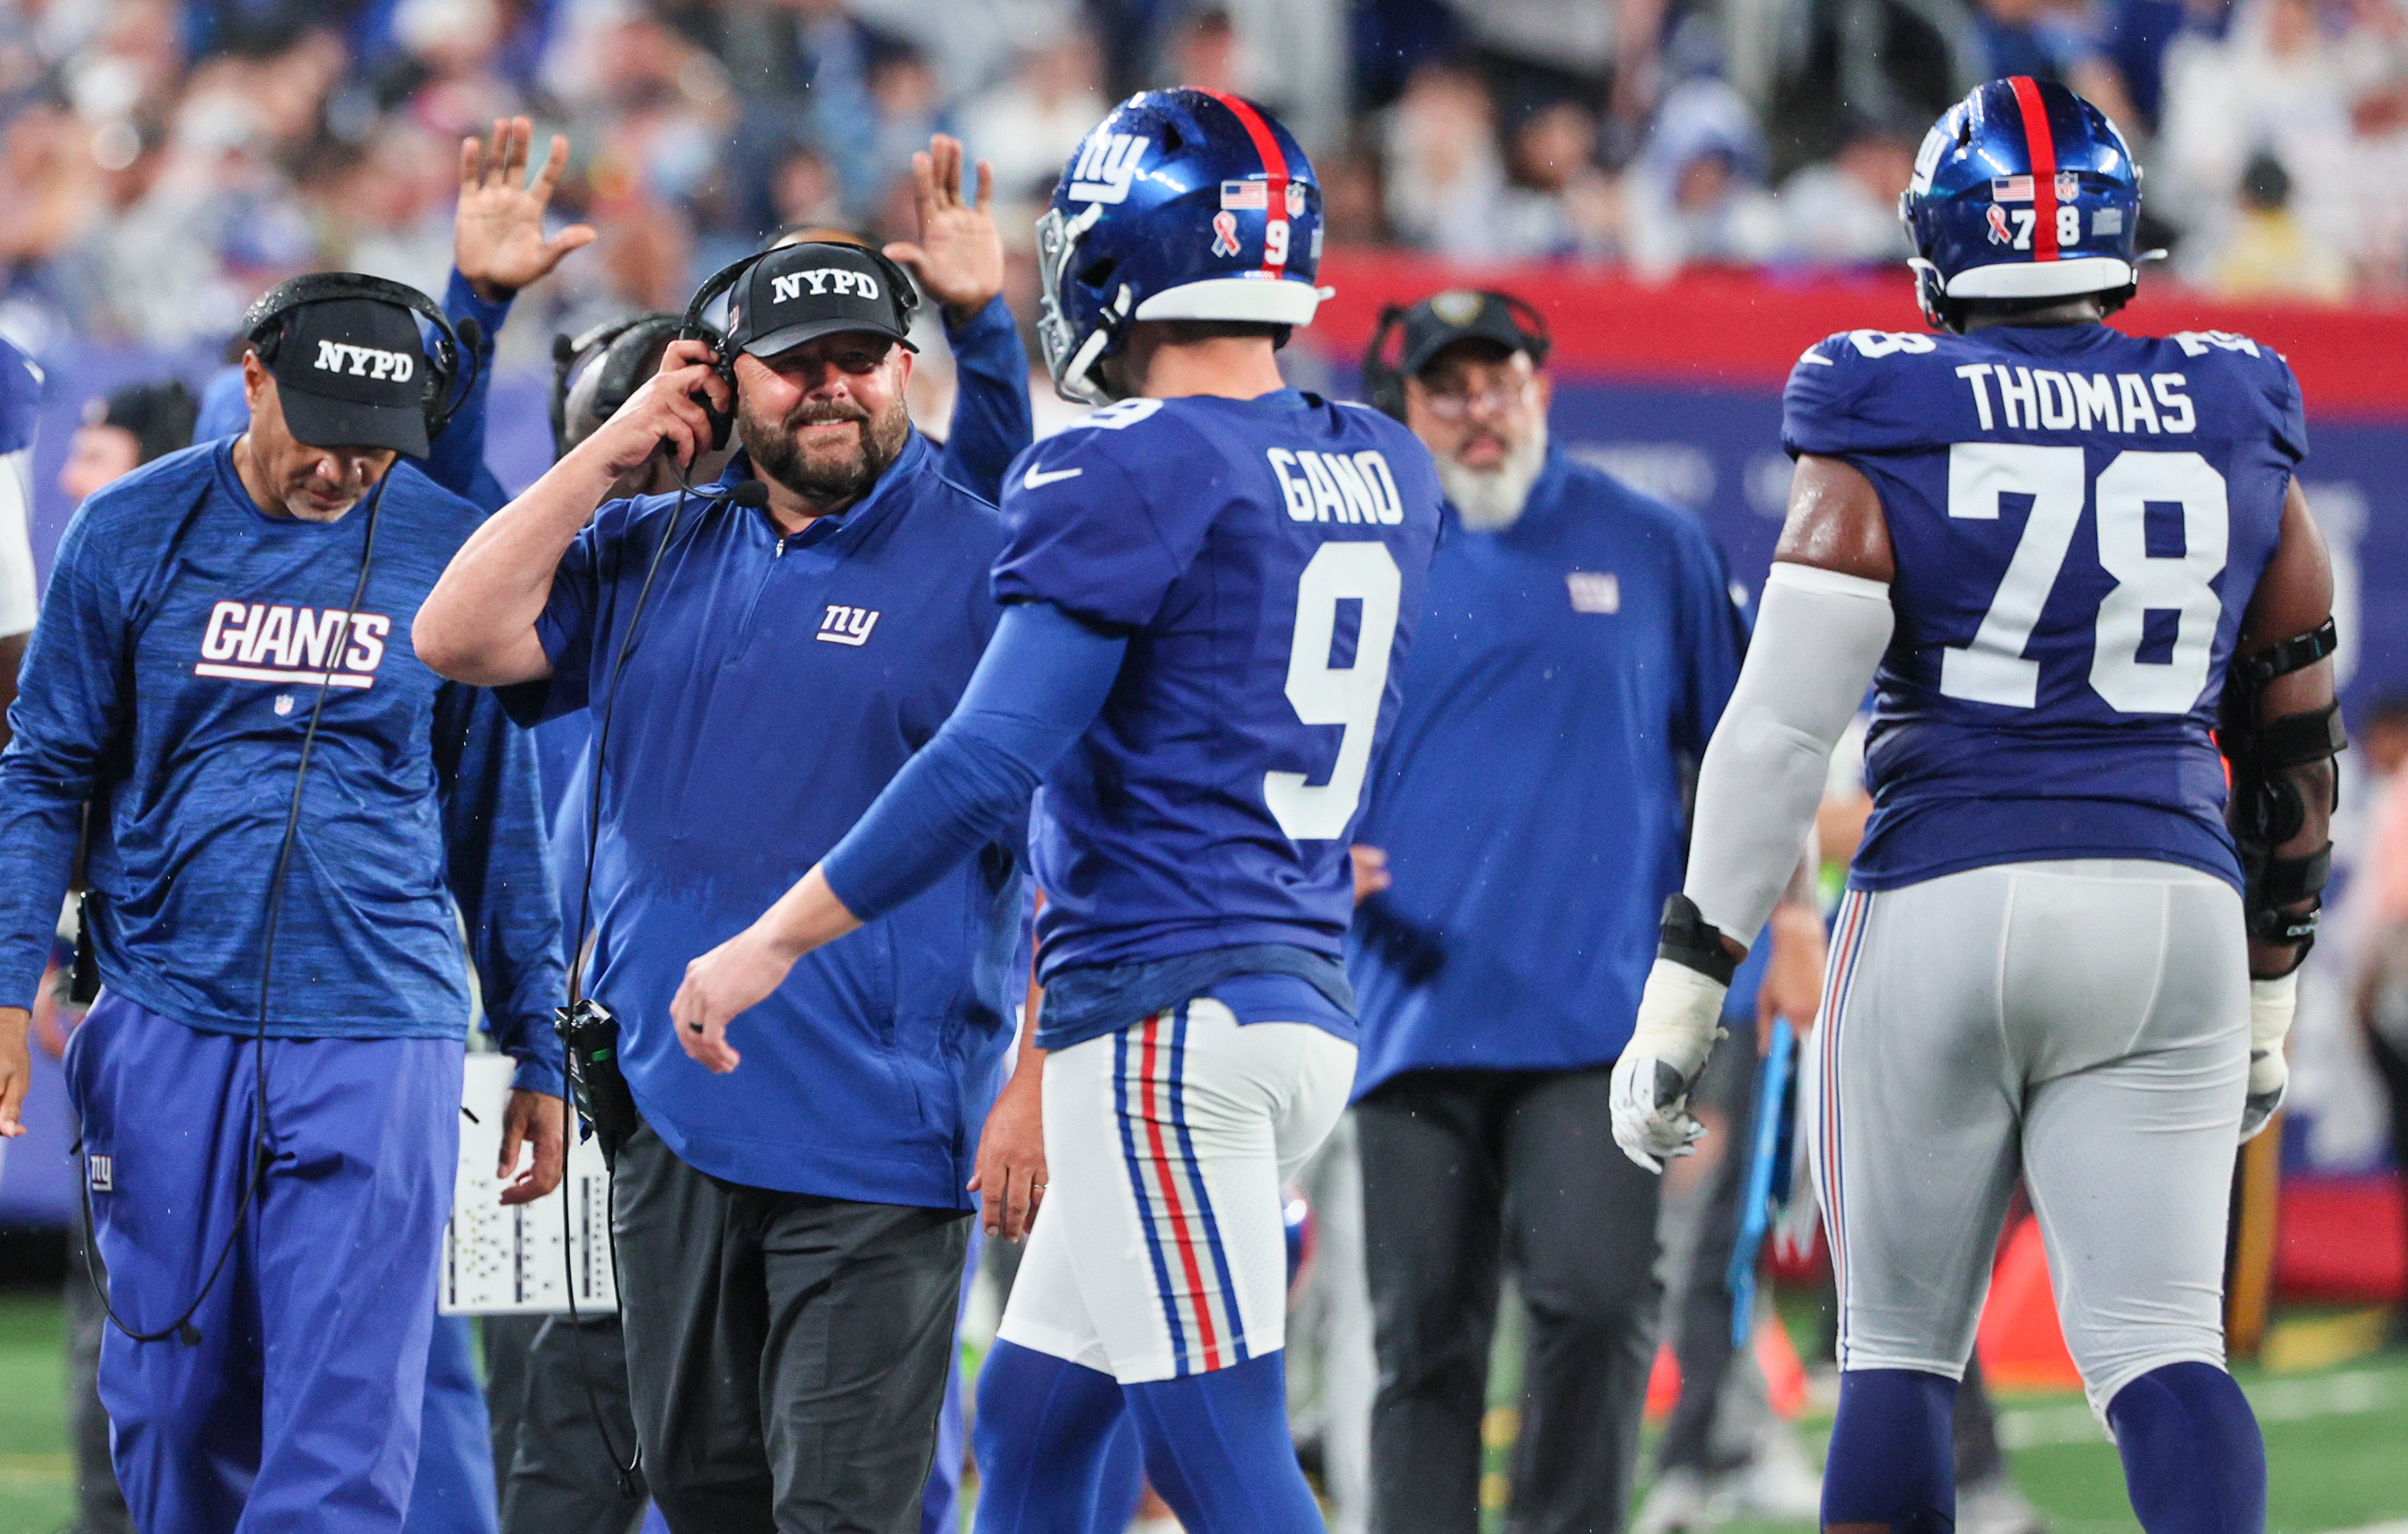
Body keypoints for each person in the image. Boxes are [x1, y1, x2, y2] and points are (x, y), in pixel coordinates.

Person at [658, 88, 1446, 1534]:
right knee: (1032, 1426)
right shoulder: (1383, 462)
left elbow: (983, 763)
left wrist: (771, 943)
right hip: (1292, 998)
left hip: (1167, 1020)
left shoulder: (1126, 459)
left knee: (1224, 1462)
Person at [1609, 76, 2338, 1531]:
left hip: (1949, 891)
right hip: (2172, 906)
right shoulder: (2233, 400)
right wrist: (2269, 990)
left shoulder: (1886, 398)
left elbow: (1773, 733)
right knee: (2163, 1353)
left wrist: (1689, 984)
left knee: (1897, 1359)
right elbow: (2293, 731)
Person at [413, 235, 1023, 1534]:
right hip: (671, 1123)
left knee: (842, 1515)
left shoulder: (991, 564)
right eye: (796, 368)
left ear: (905, 371)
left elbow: (1072, 838)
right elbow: (451, 634)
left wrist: (1032, 1075)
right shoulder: (650, 545)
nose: (834, 390)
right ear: (721, 382)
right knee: (705, 1499)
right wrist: (611, 449)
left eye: (861, 361)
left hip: (879, 1136)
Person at [0, 272, 568, 1534]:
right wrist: (6, 978)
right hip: (164, 1016)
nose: (346, 473)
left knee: (344, 1431)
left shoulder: (446, 544)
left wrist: (537, 1040)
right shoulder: (130, 532)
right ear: (253, 376)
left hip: (382, 1027)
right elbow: (43, 770)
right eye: (322, 435)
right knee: (167, 1416)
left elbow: (496, 814)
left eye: (377, 449)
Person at [1346, 289, 1827, 1534]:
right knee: (1424, 1350)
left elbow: (1748, 759)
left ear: (1542, 387)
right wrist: (1308, 853)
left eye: (1499, 379)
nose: (1478, 409)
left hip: (1600, 1023)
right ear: (1402, 405)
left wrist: (1793, 921)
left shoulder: (1652, 543)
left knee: (1601, 1305)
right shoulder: (1363, 555)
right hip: (1406, 1015)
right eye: (1447, 387)